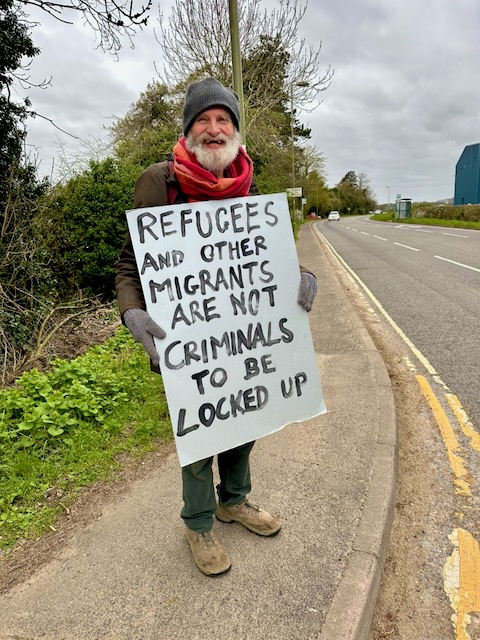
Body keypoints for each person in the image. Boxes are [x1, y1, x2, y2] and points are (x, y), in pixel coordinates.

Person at [116, 77, 318, 576]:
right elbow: (129, 265)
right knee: (199, 432)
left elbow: (272, 261)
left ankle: (235, 500)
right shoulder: (157, 181)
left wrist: (302, 278)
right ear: (188, 132)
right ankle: (199, 522)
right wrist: (132, 312)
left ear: (235, 132)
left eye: (222, 120)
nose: (213, 129)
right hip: (184, 340)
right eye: (202, 120)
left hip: (244, 341)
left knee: (245, 420)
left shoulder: (249, 187)